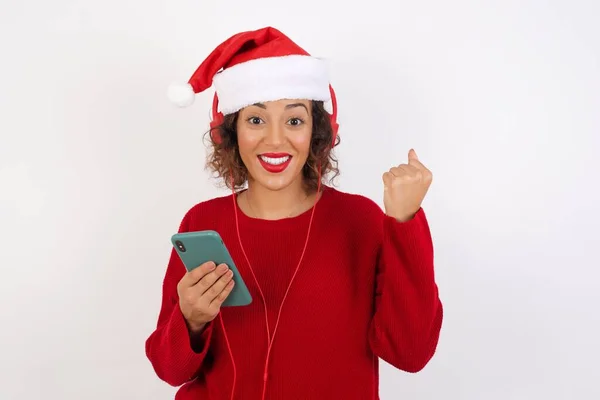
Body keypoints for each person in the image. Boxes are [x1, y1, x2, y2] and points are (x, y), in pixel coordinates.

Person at [145, 26, 443, 400]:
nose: (275, 139)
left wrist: (405, 223)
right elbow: (169, 370)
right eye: (255, 119)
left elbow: (410, 354)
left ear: (318, 131)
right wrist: (190, 320)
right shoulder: (202, 223)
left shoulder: (360, 221)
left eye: (294, 120)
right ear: (231, 131)